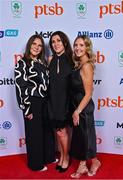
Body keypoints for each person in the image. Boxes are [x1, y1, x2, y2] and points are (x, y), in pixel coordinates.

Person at [14, 34, 55, 171]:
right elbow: (21, 86)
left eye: (39, 45)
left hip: (44, 101)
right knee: (34, 134)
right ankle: (36, 164)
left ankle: (48, 157)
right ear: (29, 45)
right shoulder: (22, 62)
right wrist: (26, 108)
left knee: (47, 131)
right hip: (32, 102)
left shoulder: (42, 63)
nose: (37, 47)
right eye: (34, 44)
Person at [69, 35, 101, 178]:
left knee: (86, 136)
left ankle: (94, 162)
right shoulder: (79, 64)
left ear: (87, 47)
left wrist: (78, 111)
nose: (78, 48)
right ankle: (85, 165)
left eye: (81, 45)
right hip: (78, 106)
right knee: (82, 137)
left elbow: (88, 93)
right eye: (76, 45)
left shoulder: (87, 65)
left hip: (84, 108)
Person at [47, 31, 74, 172]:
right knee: (58, 133)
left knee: (62, 132)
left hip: (65, 101)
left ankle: (66, 156)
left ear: (64, 42)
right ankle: (62, 155)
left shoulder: (71, 59)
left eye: (58, 40)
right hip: (52, 101)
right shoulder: (50, 59)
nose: (56, 44)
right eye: (53, 41)